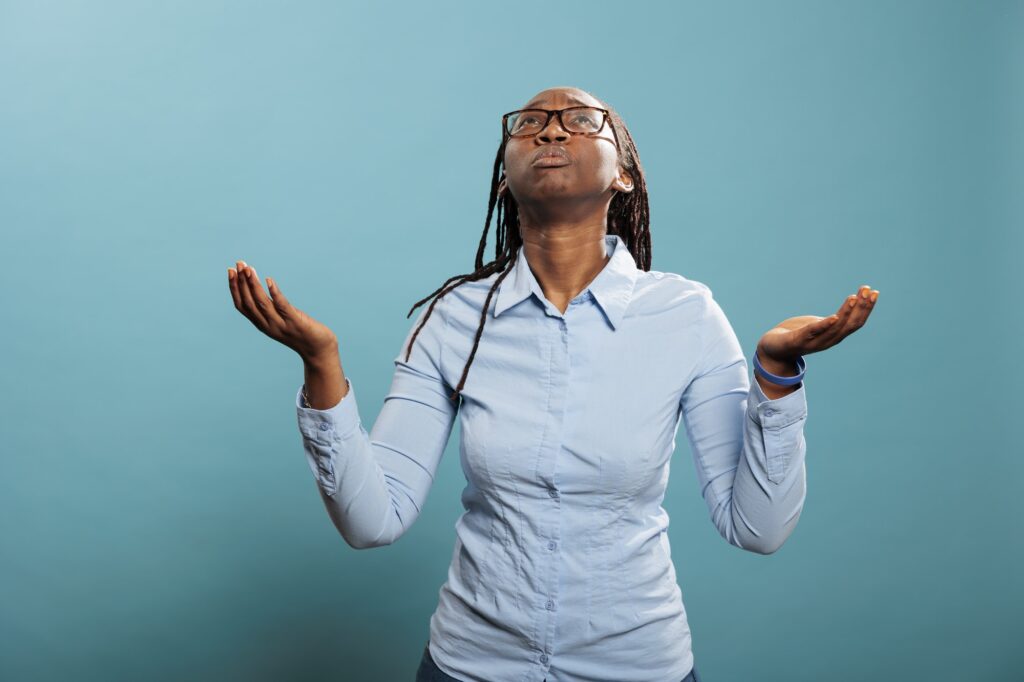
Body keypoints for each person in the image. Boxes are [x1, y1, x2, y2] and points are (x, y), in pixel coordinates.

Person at [227, 86, 879, 682]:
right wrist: (322, 365)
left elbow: (757, 527)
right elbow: (373, 520)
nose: (550, 131)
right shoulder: (453, 319)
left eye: (579, 121)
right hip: (468, 668)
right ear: (505, 177)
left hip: (638, 667)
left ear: (623, 174)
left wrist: (777, 374)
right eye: (530, 123)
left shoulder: (686, 317)